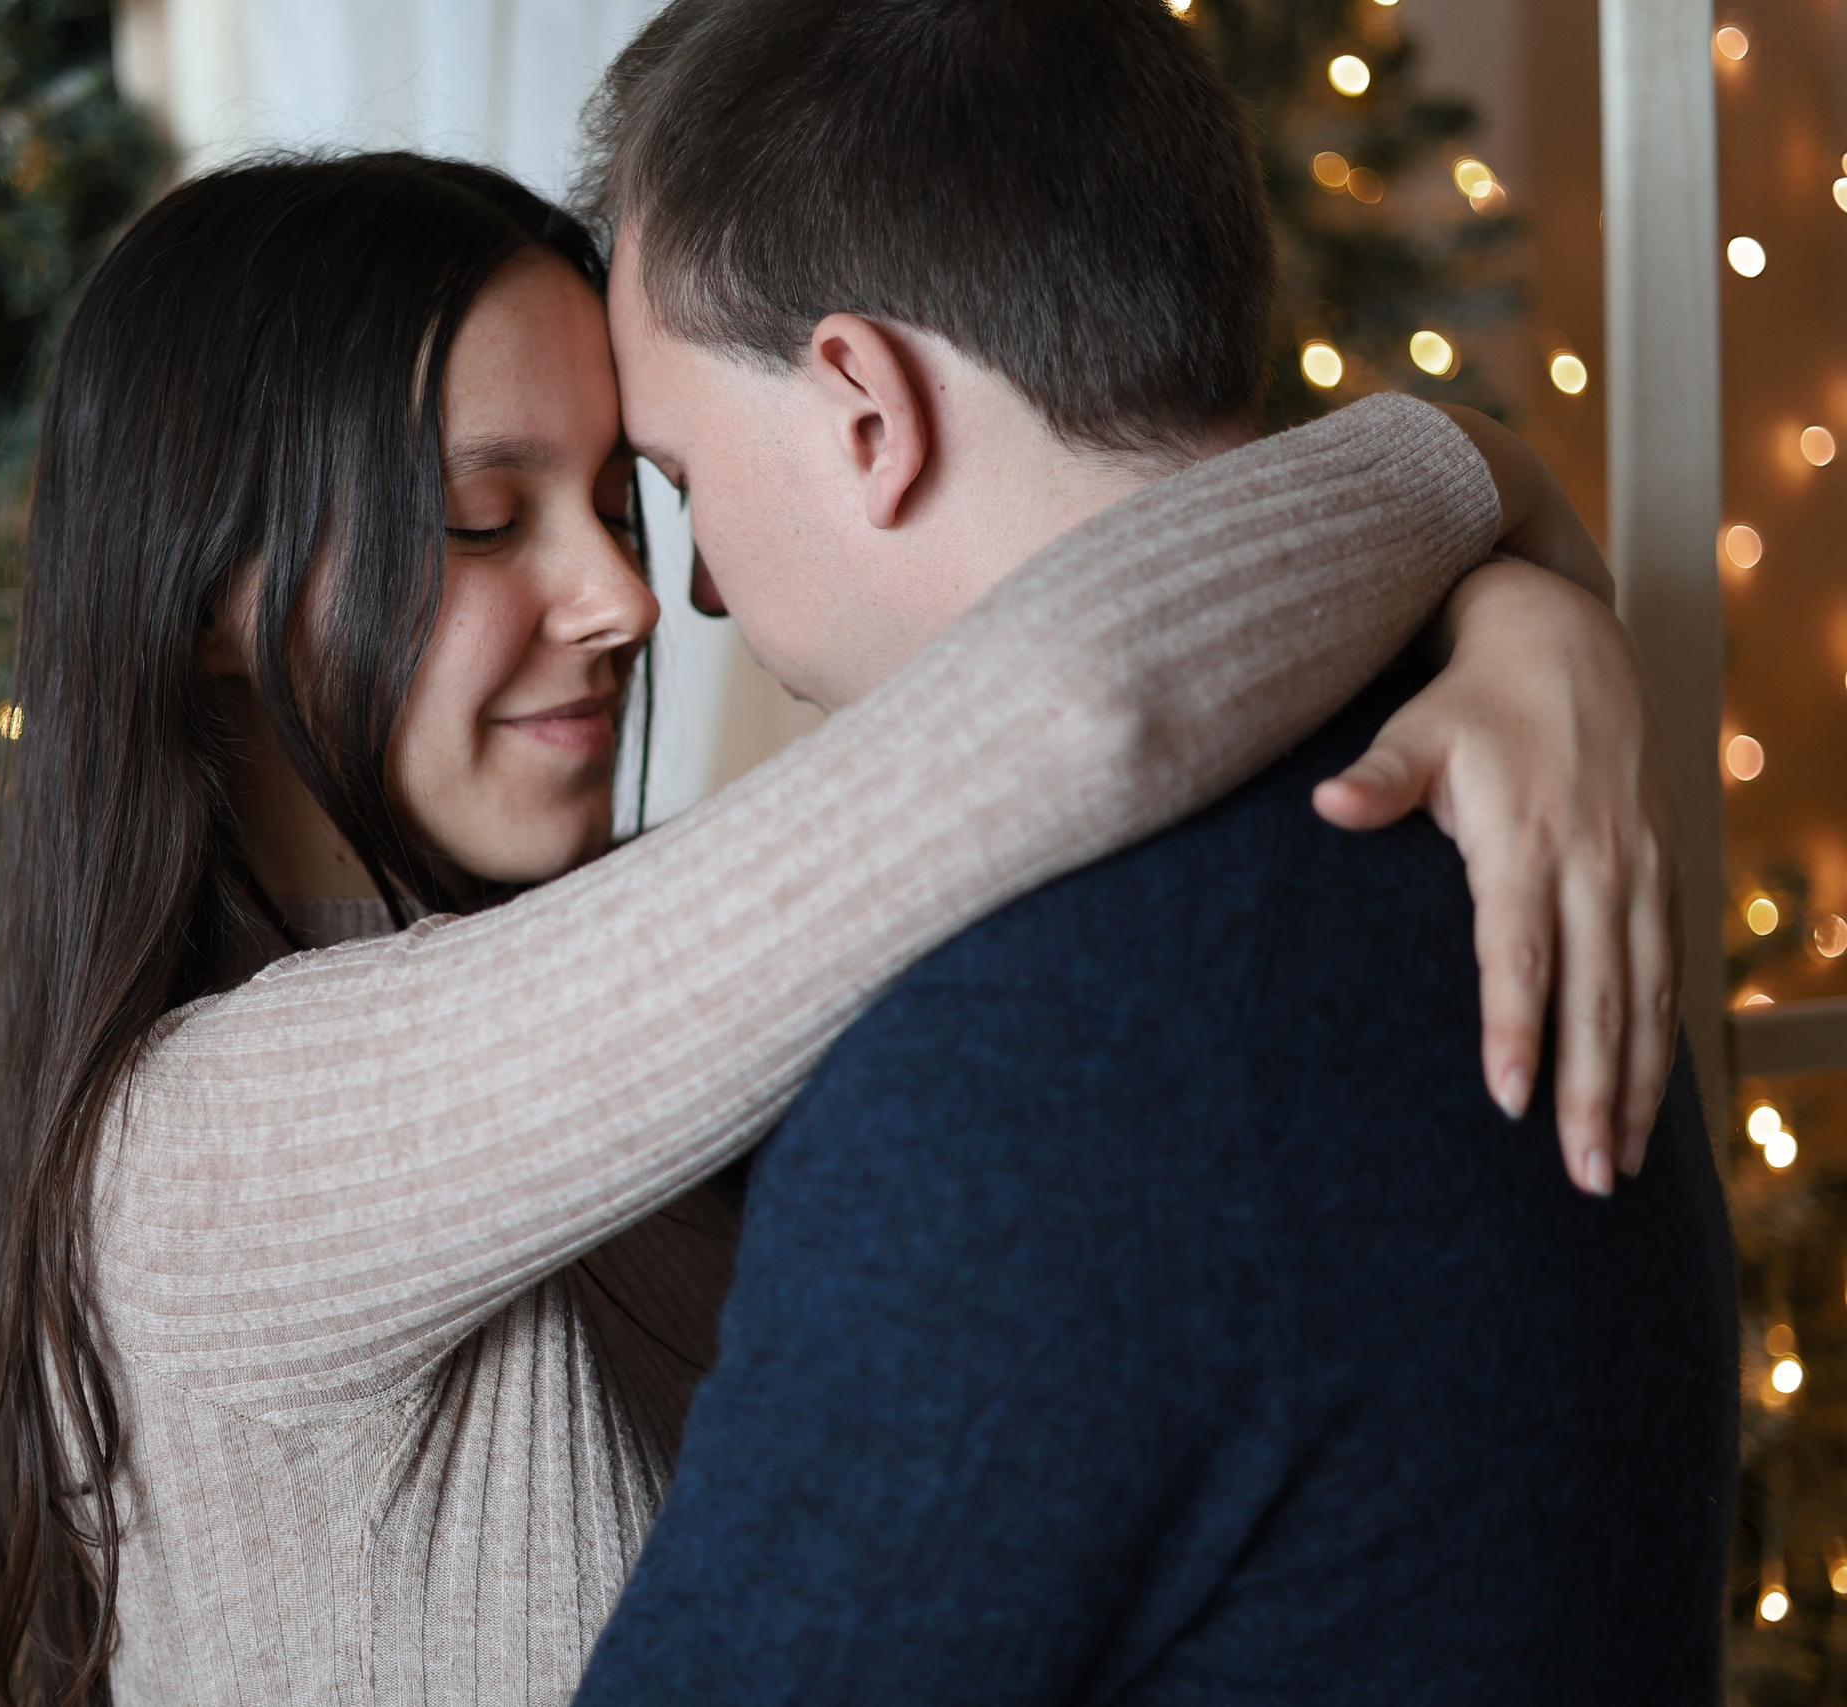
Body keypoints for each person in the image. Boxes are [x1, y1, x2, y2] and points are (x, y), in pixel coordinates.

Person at [0, 153, 1675, 1706]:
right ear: (212, 593)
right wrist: (1474, 486)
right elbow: (1070, 714)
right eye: (481, 516)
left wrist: (1516, 618)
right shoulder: (203, 1152)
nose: (622, 598)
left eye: (623, 500)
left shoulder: (624, 994)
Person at [570, 2, 1734, 1700]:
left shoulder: (1041, 1047)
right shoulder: (1489, 800)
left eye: (679, 478)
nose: (701, 594)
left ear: (864, 412)